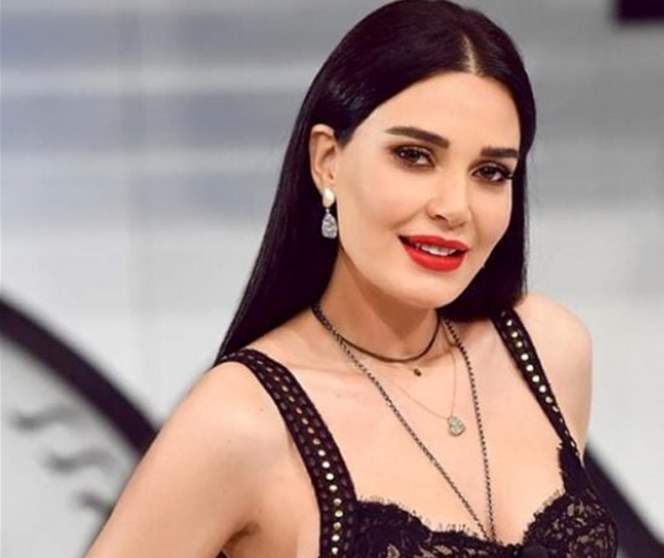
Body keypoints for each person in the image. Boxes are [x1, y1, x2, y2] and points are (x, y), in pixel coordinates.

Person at [85, 1, 618, 556]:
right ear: (328, 161)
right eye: (414, 156)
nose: (455, 207)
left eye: (490, 172)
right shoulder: (243, 420)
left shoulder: (548, 347)